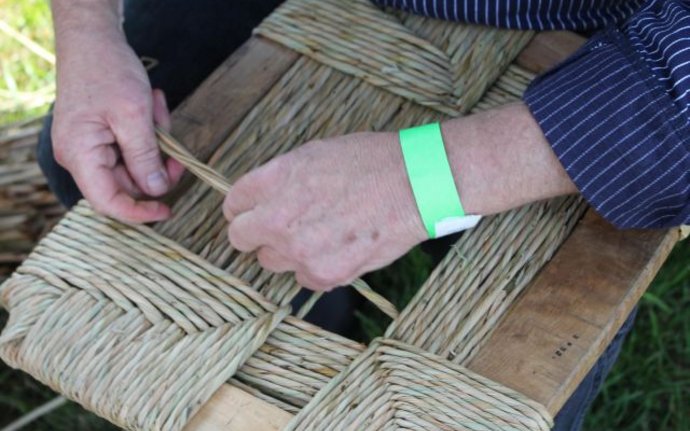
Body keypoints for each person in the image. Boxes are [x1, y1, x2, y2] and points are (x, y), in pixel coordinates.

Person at [38, 1, 688, 430]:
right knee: (92, 161)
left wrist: (429, 178)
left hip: (605, 35)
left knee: (492, 383)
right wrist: (87, 32)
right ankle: (307, 325)